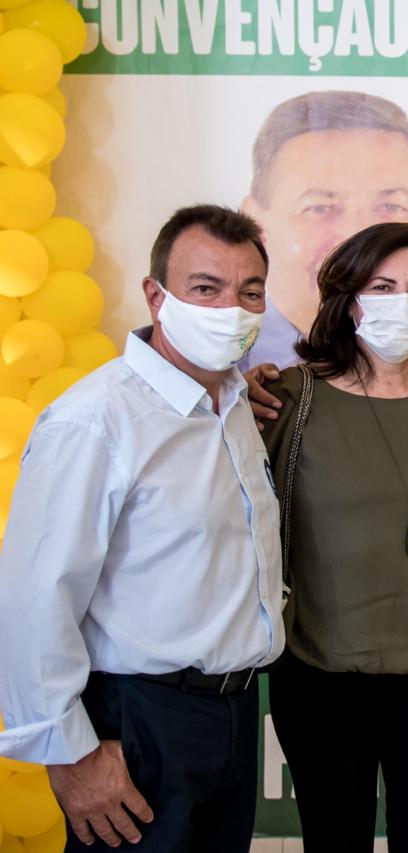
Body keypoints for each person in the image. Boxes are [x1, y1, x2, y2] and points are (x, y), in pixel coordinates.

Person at [0, 205, 284, 852]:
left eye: (250, 292)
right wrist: (70, 757)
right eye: (205, 288)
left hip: (234, 713)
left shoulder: (236, 405)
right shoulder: (95, 420)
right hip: (139, 723)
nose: (230, 310)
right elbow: (35, 598)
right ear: (156, 296)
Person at [256, 222, 408, 852]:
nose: (401, 303)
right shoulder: (286, 399)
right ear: (348, 300)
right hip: (322, 674)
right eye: (382, 287)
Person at [240, 90, 408, 371]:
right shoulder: (224, 375)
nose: (356, 237)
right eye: (319, 208)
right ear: (257, 225)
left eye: (391, 206)